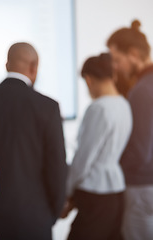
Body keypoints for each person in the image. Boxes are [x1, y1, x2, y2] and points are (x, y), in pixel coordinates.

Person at [0, 42, 67, 240]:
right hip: (34, 219)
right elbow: (57, 168)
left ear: (7, 65)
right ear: (34, 67)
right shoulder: (48, 107)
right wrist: (51, 214)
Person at [62, 53, 132, 240]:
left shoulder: (98, 108)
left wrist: (67, 192)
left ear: (89, 79)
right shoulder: (123, 104)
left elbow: (84, 158)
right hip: (116, 190)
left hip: (95, 192)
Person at [107, 20, 153, 240]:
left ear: (133, 54)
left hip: (141, 187)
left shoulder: (142, 90)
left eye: (117, 60)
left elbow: (139, 151)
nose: (115, 67)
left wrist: (112, 171)